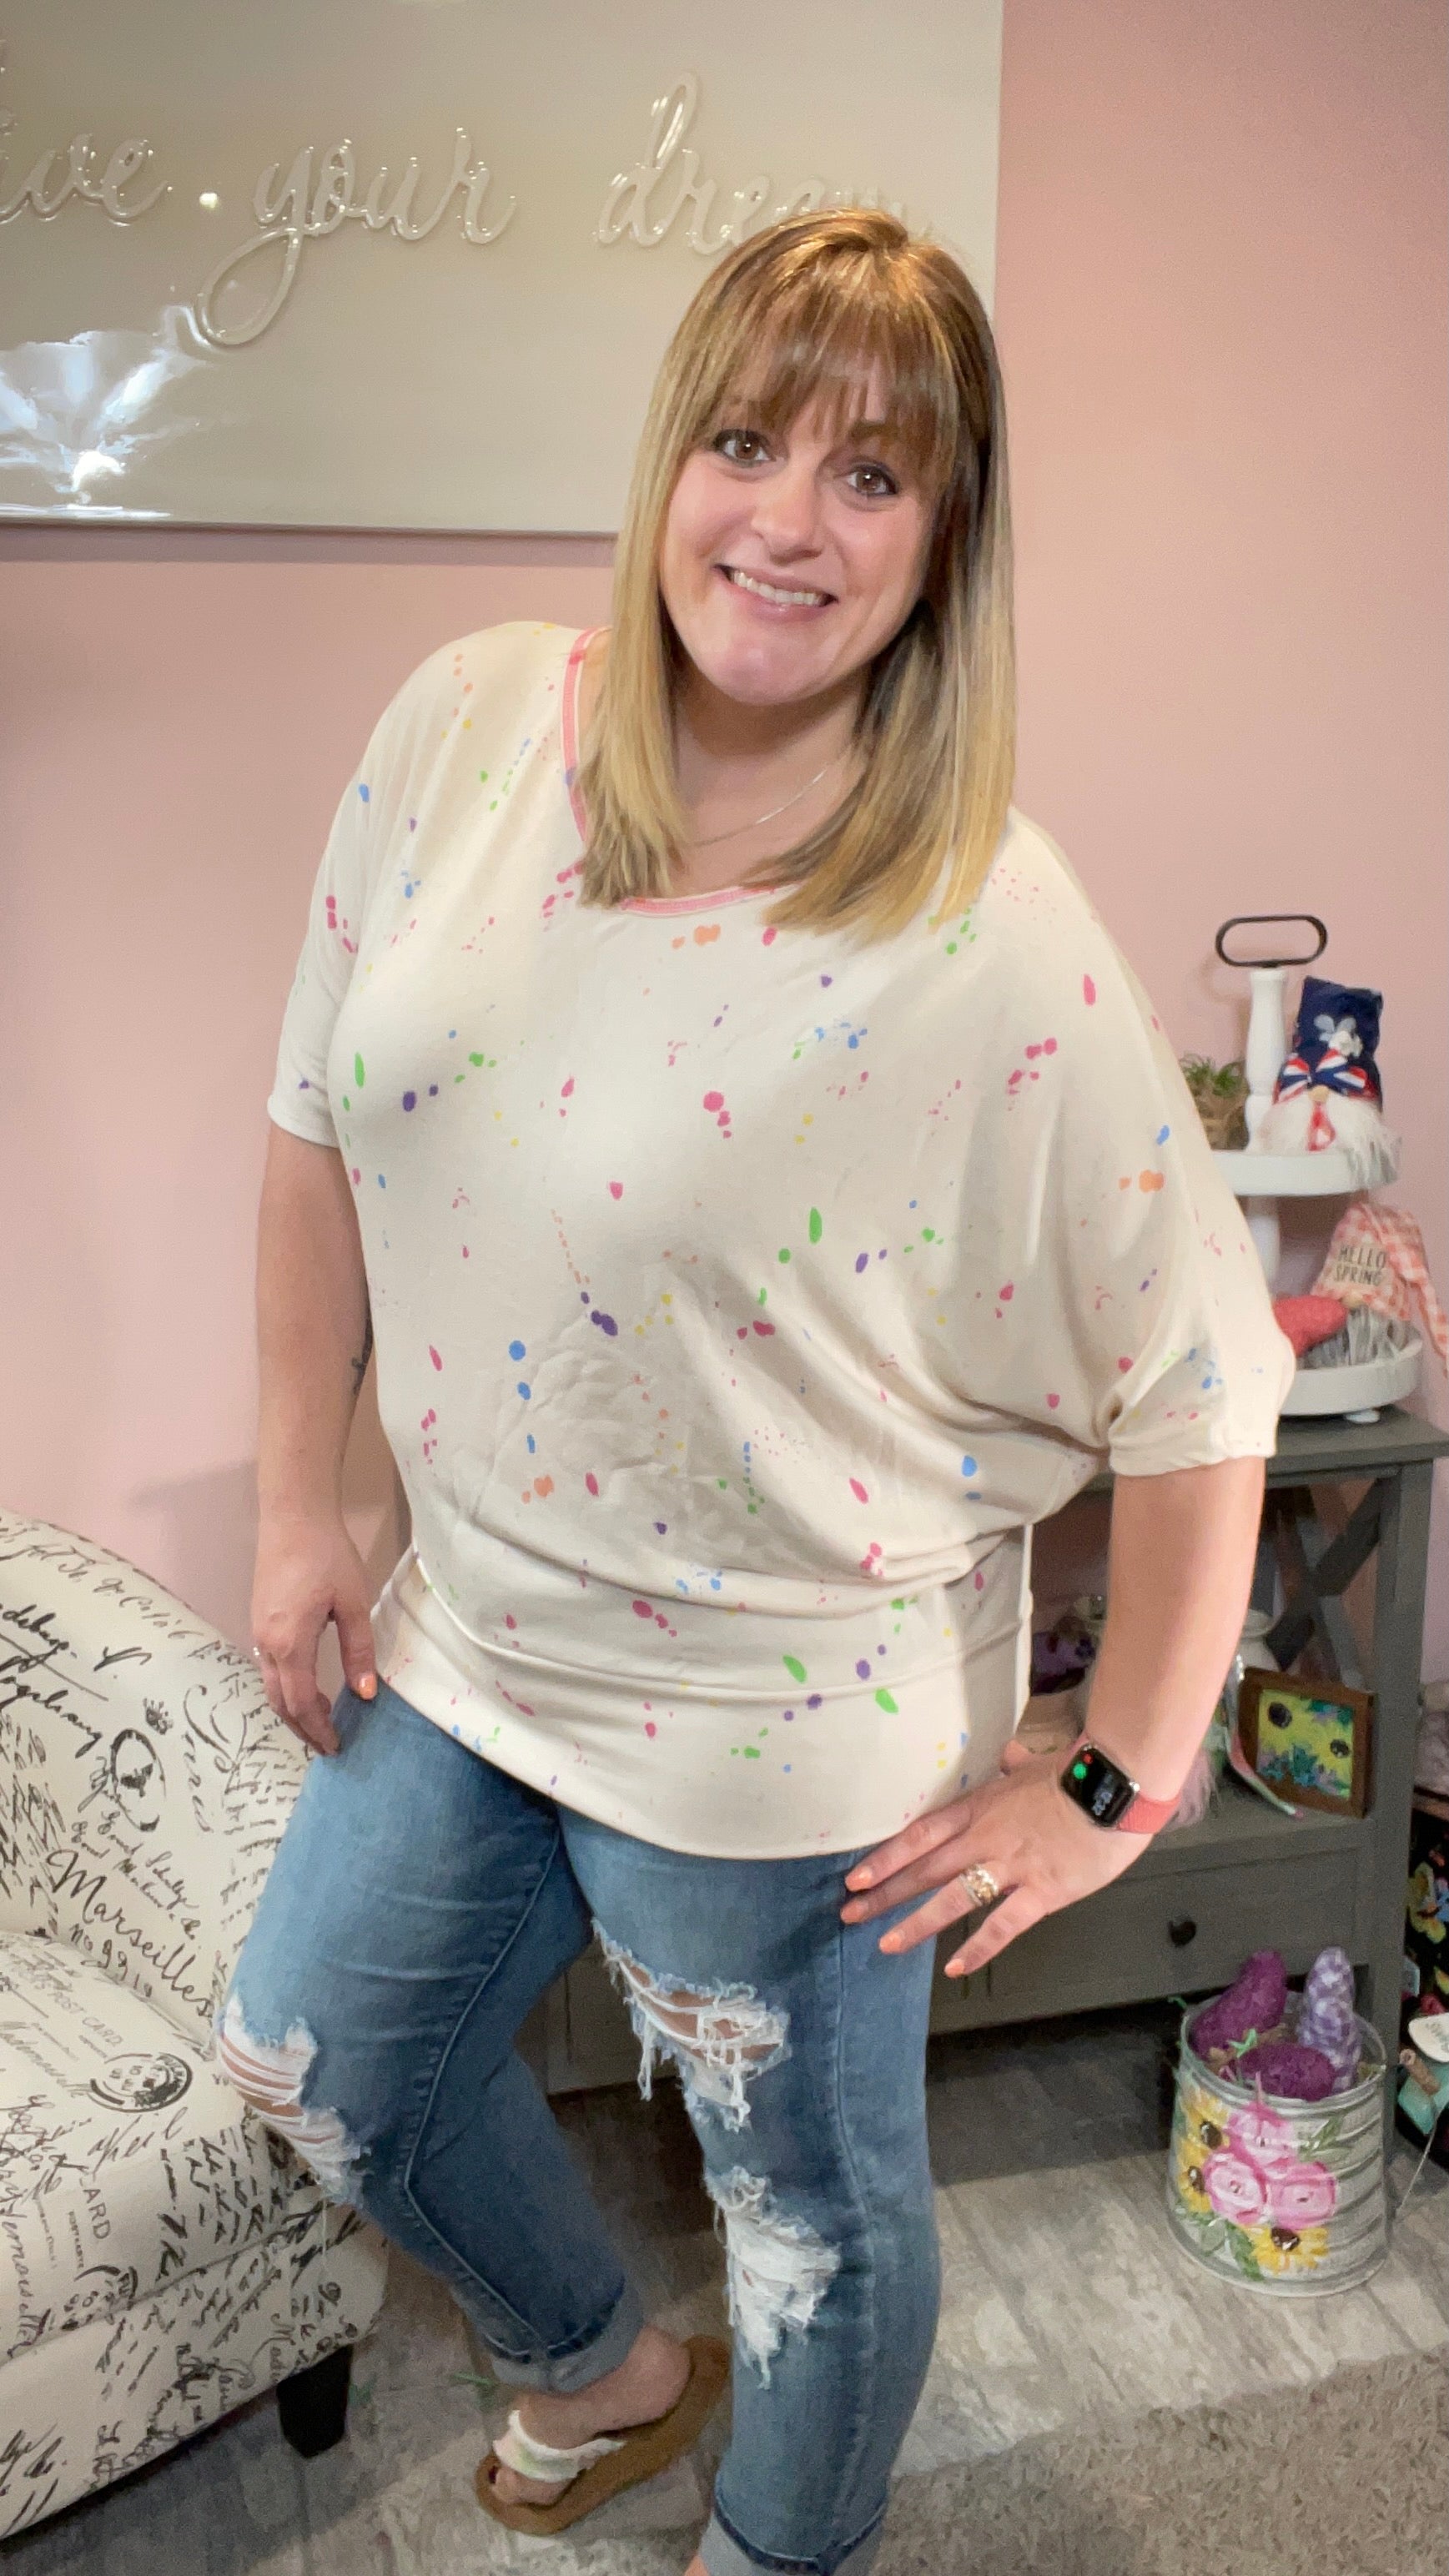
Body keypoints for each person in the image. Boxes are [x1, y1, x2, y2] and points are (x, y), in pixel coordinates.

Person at [218, 209, 1294, 2572]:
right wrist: (304, 1507)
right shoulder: (464, 728)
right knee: (325, 2063)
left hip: (780, 1730)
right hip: (470, 1636)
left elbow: (1206, 1378)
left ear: (941, 544)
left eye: (871, 476)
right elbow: (317, 1125)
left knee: (806, 2228)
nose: (788, 523)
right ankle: (597, 2369)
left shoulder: (983, 925)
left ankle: (782, 2546)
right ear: (665, 463)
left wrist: (1112, 1776)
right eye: (744, 443)